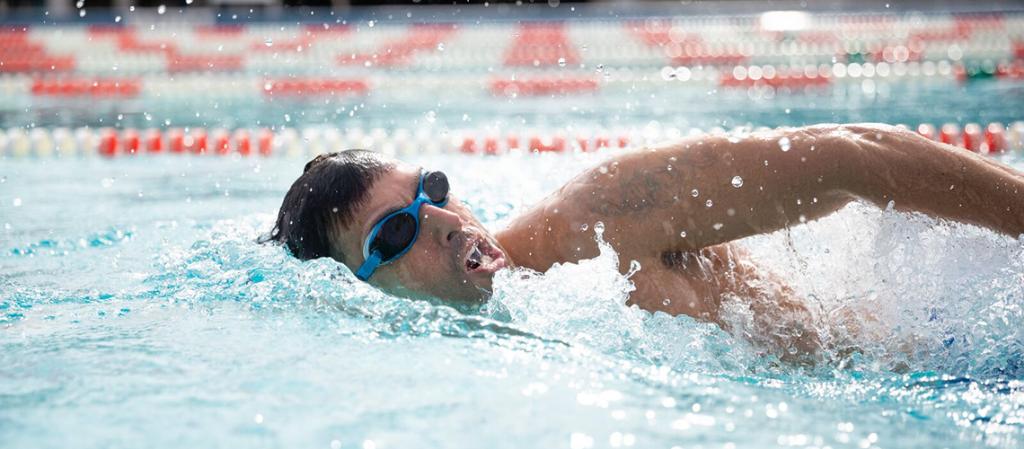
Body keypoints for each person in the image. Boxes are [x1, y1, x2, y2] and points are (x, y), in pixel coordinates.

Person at [265, 123, 1024, 358]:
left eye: (432, 189)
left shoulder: (597, 221)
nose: (443, 219)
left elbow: (854, 156)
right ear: (358, 291)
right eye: (397, 231)